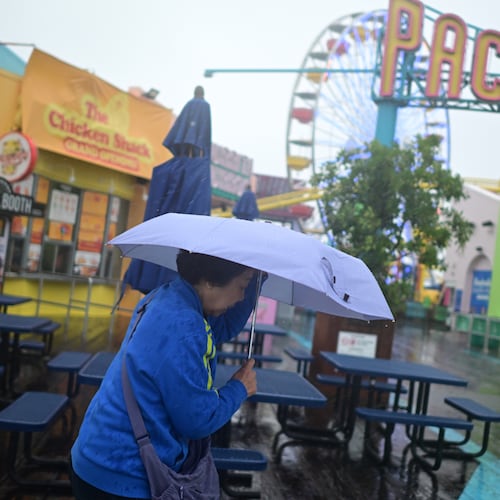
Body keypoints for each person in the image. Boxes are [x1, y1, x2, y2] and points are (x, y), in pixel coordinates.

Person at [70, 250, 259, 499]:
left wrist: (256, 280)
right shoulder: (185, 327)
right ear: (211, 280)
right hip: (124, 475)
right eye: (242, 286)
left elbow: (221, 327)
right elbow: (197, 420)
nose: (242, 296)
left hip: (99, 455)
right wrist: (239, 388)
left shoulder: (168, 296)